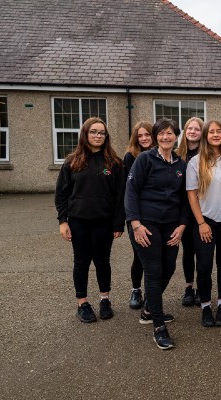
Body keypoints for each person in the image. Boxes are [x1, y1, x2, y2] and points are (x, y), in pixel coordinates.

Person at [125, 118, 190, 350]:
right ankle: (159, 326)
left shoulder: (181, 165)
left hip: (171, 225)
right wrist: (135, 224)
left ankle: (149, 310)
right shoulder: (144, 159)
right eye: (161, 133)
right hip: (146, 224)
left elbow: (185, 199)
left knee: (169, 267)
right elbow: (131, 191)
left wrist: (182, 225)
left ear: (176, 137)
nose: (165, 137)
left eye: (170, 133)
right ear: (156, 137)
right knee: (153, 271)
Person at [55, 117, 125, 323]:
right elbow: (61, 194)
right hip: (79, 222)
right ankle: (83, 303)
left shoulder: (114, 163)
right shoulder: (71, 162)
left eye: (102, 132)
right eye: (93, 132)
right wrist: (63, 221)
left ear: (106, 136)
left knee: (103, 261)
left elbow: (120, 196)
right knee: (81, 262)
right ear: (85, 134)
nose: (98, 136)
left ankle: (105, 300)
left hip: (104, 221)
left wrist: (118, 223)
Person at [186, 120, 221, 327]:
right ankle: (206, 306)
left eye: (219, 131)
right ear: (205, 136)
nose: (215, 135)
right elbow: (191, 194)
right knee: (204, 265)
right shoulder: (195, 162)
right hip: (205, 222)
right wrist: (201, 223)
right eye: (211, 132)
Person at [124, 121, 154, 310]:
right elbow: (129, 189)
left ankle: (152, 294)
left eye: (147, 135)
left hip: (154, 214)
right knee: (139, 255)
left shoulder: (160, 155)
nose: (144, 138)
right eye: (140, 136)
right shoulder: (130, 157)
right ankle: (136, 289)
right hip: (136, 214)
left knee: (154, 258)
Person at [176, 117, 204, 307]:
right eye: (190, 128)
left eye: (197, 129)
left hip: (202, 209)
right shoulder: (178, 156)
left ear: (202, 133)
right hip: (183, 210)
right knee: (188, 251)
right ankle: (189, 287)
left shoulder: (206, 155)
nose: (193, 132)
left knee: (202, 251)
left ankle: (202, 288)